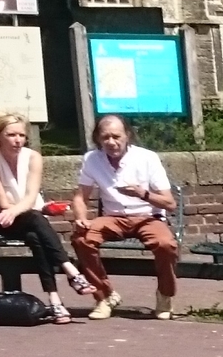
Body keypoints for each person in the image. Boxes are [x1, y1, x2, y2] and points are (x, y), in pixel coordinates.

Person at [0, 110, 88, 322]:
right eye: (11, 135)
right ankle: (71, 271)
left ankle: (55, 302)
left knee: (35, 236)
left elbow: (31, 196)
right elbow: (3, 204)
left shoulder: (33, 157)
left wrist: (30, 209)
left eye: (22, 135)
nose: (18, 140)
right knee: (35, 218)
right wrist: (26, 209)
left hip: (25, 216)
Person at [72, 115, 181, 320]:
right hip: (113, 217)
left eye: (116, 136)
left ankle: (165, 295)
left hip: (148, 216)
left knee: (165, 244)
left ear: (127, 135)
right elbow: (80, 196)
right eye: (105, 137)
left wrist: (142, 193)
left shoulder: (147, 158)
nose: (111, 142)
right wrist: (81, 217)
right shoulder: (92, 159)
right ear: (98, 138)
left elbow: (170, 203)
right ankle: (105, 297)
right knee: (82, 238)